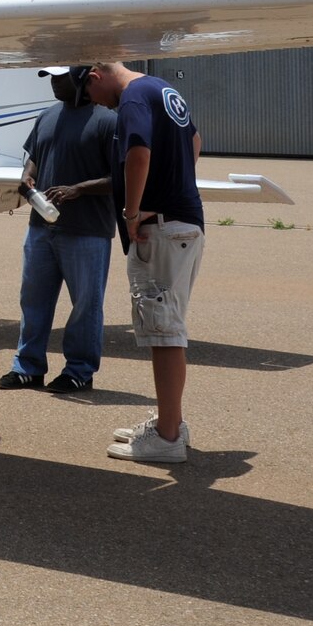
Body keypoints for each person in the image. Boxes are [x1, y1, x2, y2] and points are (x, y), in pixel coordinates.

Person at [85, 61, 204, 464]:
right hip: (183, 224)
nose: (92, 101)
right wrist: (177, 186)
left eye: (89, 92)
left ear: (95, 74)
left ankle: (167, 438)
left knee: (163, 332)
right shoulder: (162, 89)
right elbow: (194, 142)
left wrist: (131, 212)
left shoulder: (133, 97)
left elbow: (138, 152)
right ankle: (172, 422)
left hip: (162, 229)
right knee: (168, 325)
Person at [0, 66, 118, 394]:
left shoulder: (107, 121)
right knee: (33, 299)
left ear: (81, 80)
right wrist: (27, 176)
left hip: (87, 231)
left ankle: (79, 370)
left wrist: (77, 189)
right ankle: (28, 367)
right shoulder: (47, 116)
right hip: (41, 226)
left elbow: (122, 176)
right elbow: (34, 156)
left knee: (85, 305)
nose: (53, 83)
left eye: (59, 77)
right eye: (49, 77)